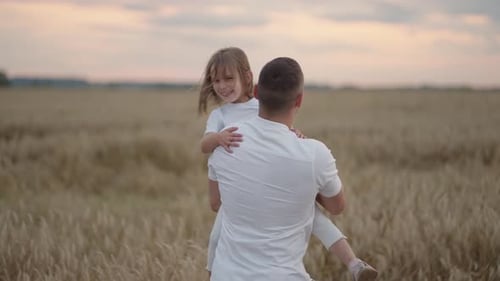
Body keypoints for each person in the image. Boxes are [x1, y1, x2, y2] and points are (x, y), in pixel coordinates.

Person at [199, 48, 377, 281]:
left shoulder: (224, 149)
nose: (222, 86)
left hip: (229, 273)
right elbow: (337, 207)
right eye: (217, 80)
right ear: (299, 100)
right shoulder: (313, 154)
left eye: (228, 78)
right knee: (314, 216)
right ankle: (353, 263)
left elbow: (215, 202)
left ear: (255, 91)